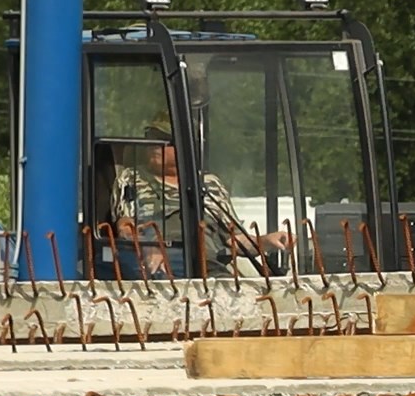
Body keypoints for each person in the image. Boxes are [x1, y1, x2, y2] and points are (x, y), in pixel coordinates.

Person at [111, 113, 292, 277]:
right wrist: (147, 248)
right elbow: (125, 227)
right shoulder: (131, 179)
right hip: (159, 268)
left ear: (186, 146)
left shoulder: (210, 185)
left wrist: (266, 241)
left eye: (165, 139)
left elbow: (234, 239)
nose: (154, 146)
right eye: (151, 137)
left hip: (209, 267)